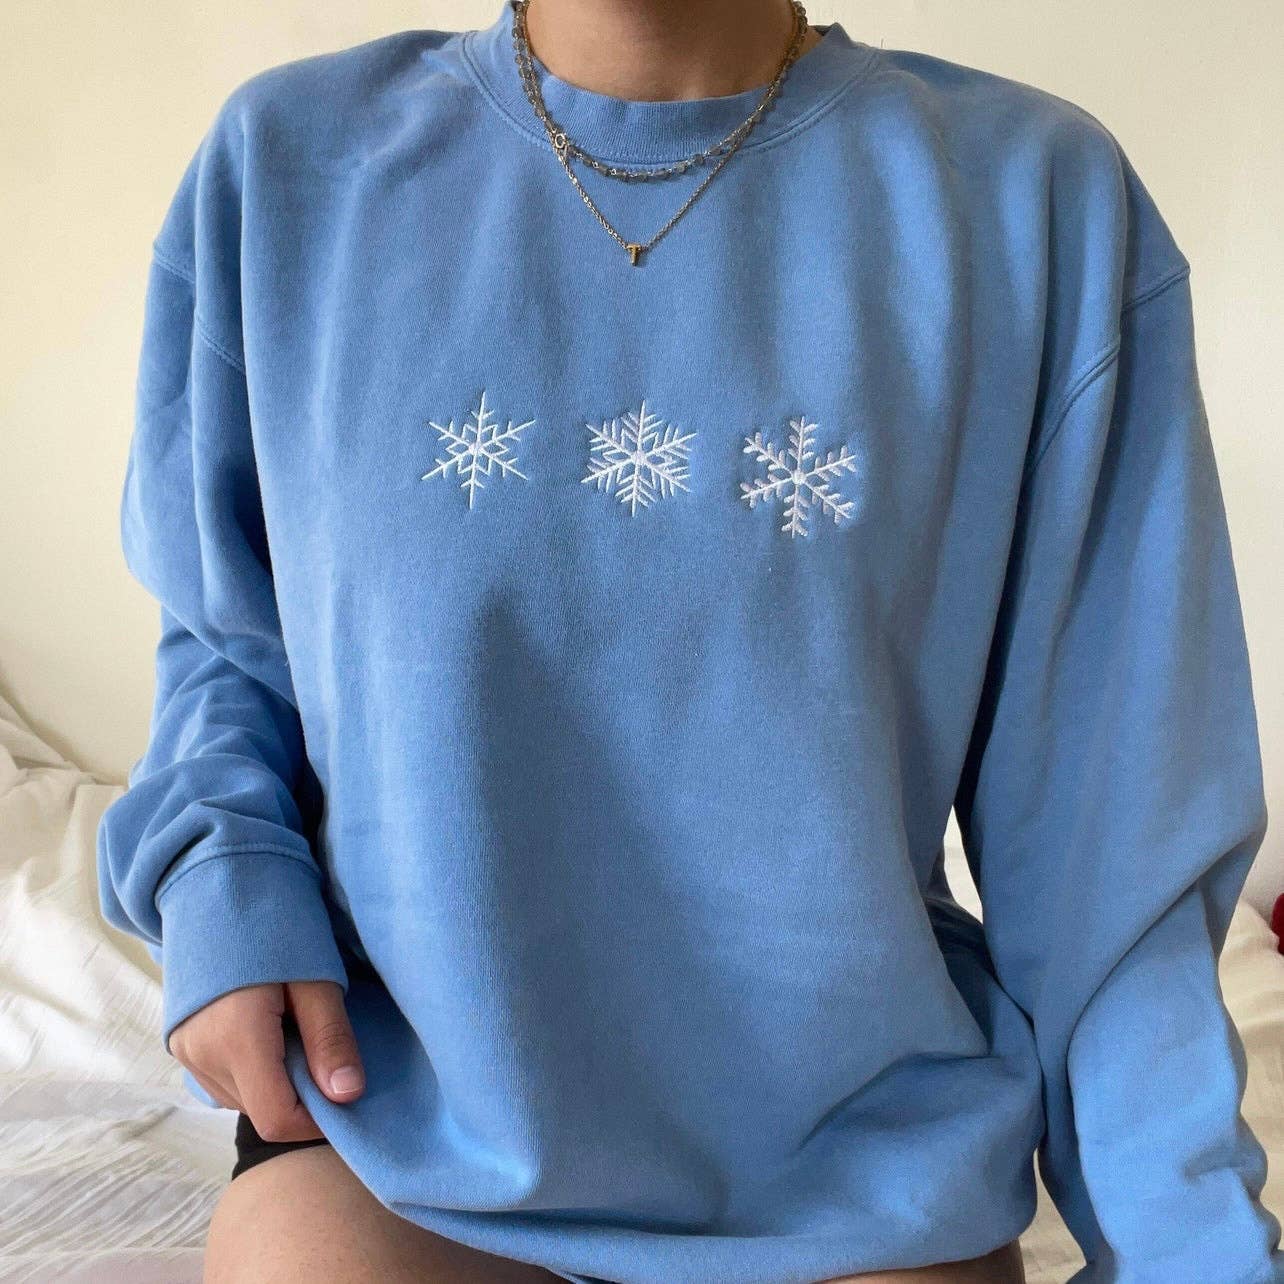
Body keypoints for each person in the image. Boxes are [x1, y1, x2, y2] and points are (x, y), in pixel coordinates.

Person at [96, 0, 1281, 1280]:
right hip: (397, 1125)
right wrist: (223, 881)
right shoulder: (289, 167)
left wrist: (1192, 1256)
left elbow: (1112, 837)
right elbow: (230, 635)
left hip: (856, 1161)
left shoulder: (1033, 202)